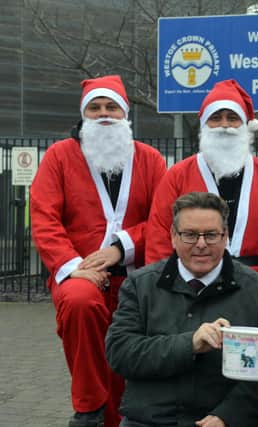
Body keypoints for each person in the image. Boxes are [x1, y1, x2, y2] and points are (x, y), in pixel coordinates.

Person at [30, 75, 167, 427]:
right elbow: (44, 216)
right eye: (95, 108)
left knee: (130, 355)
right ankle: (89, 408)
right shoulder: (60, 156)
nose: (104, 114)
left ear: (125, 114)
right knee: (79, 301)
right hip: (79, 274)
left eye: (112, 107)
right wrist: (73, 266)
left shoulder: (150, 160)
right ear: (83, 114)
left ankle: (124, 415)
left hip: (136, 274)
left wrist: (121, 248)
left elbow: (164, 218)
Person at [106, 192, 258, 427]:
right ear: (173, 237)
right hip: (149, 420)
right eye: (190, 235)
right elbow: (120, 353)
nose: (201, 244)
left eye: (211, 235)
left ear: (225, 237)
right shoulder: (140, 285)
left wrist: (229, 415)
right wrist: (190, 344)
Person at [145, 79, 258, 332]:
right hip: (192, 292)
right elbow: (158, 240)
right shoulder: (177, 175)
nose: (224, 125)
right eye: (216, 118)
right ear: (204, 125)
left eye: (232, 118)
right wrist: (162, 300)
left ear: (245, 126)